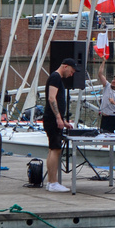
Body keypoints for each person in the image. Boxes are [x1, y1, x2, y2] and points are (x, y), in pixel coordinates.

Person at [42, 58, 77, 193]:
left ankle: (51, 181)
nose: (71, 74)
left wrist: (63, 120)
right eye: (71, 71)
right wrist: (58, 118)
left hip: (54, 119)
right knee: (55, 149)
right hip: (52, 119)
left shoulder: (56, 78)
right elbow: (52, 98)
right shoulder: (55, 77)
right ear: (65, 66)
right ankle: (53, 182)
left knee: (53, 149)